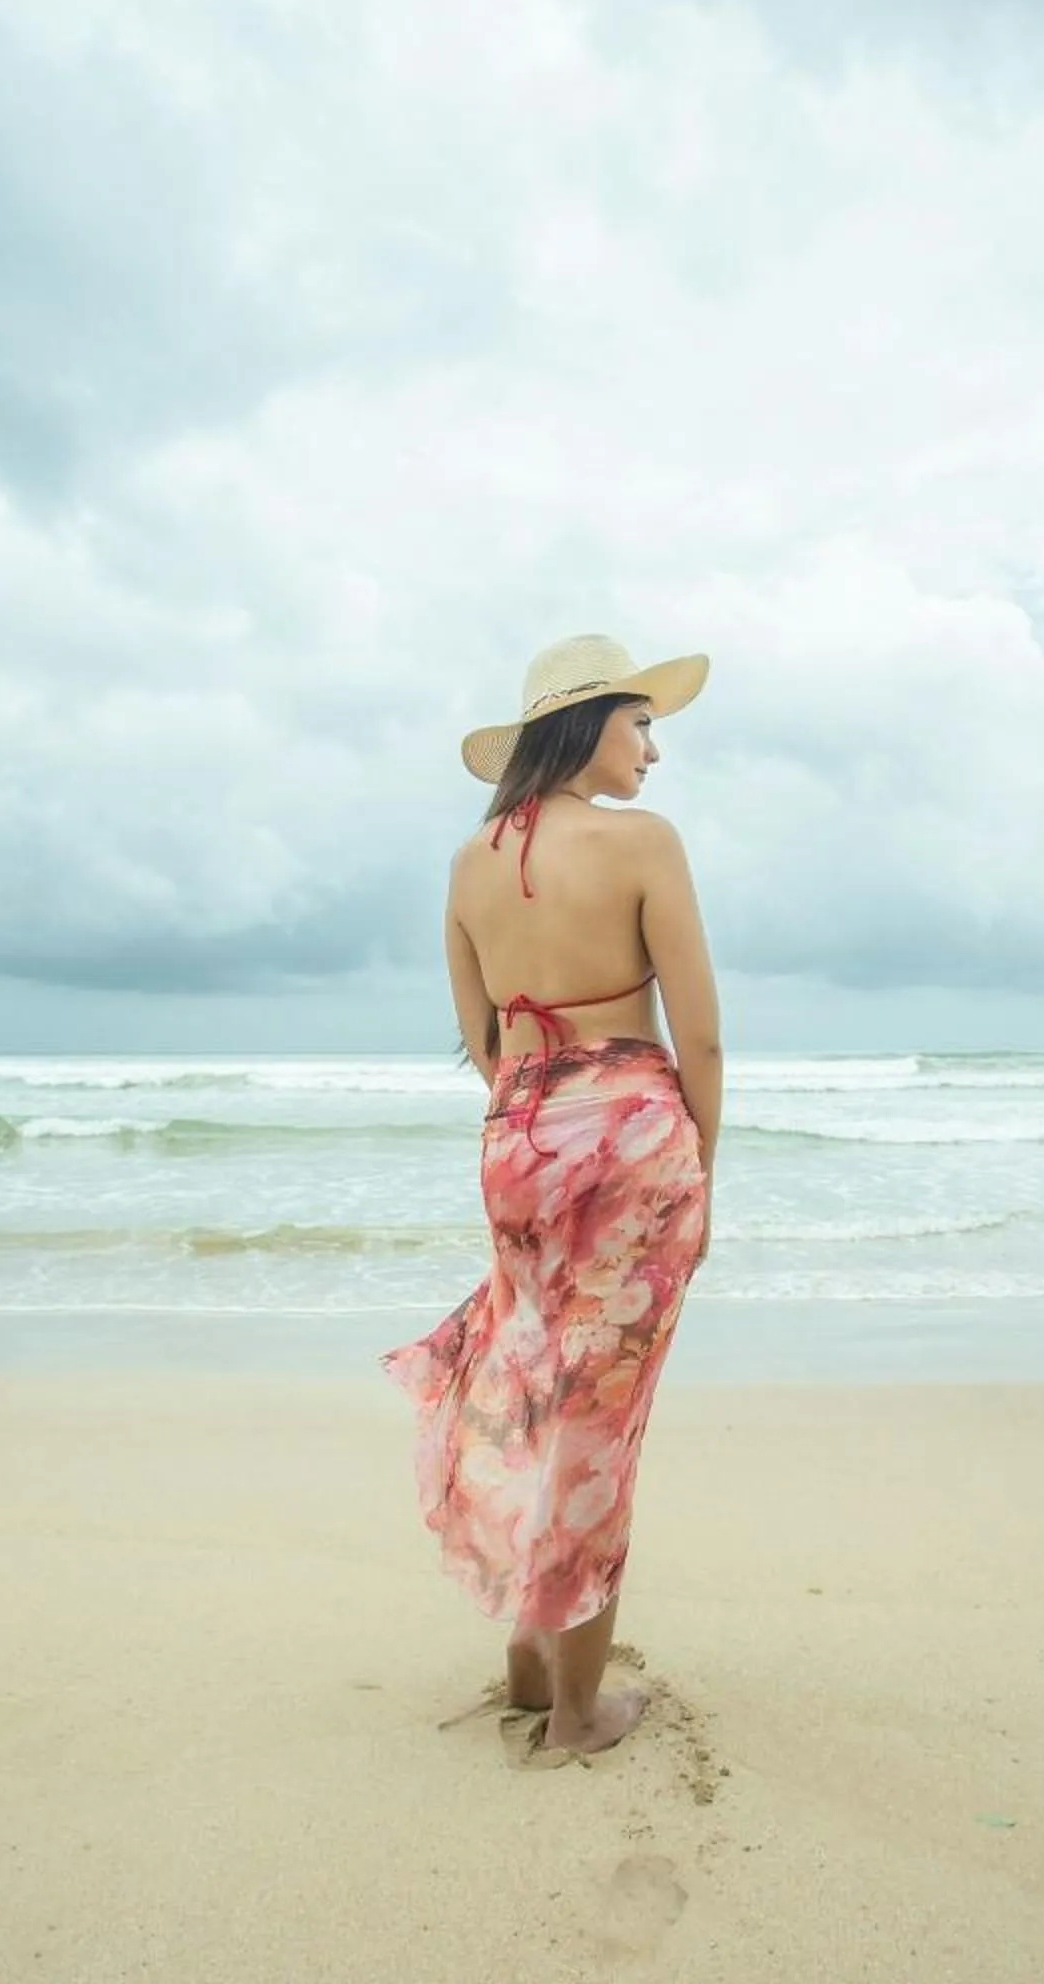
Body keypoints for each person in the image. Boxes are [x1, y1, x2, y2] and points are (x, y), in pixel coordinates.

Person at [381, 633, 722, 1760]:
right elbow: (701, 1033)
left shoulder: (470, 861)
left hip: (518, 1134)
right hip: (633, 1136)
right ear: (588, 725)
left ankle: (529, 1655)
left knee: (531, 1376)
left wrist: (541, 1118)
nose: (655, 753)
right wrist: (699, 1170)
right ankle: (577, 1712)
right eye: (642, 726)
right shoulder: (642, 844)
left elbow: (482, 1036)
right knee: (601, 1415)